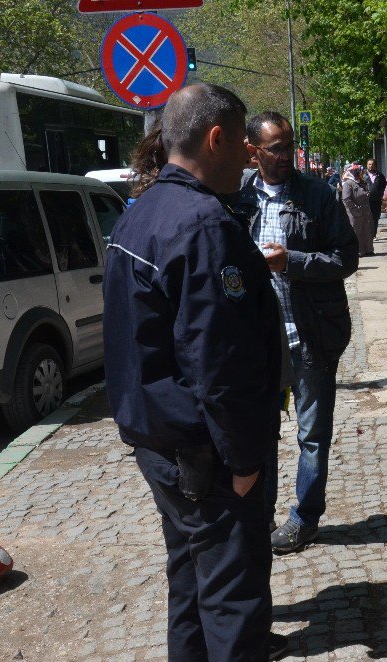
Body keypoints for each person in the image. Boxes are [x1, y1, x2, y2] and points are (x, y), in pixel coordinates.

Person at [102, 84, 288, 661]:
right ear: (216, 139)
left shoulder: (143, 213)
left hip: (161, 443)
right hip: (204, 456)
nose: (250, 157)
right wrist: (243, 462)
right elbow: (220, 364)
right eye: (243, 144)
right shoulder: (204, 225)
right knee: (233, 602)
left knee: (190, 586)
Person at [234, 111, 359, 554]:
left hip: (310, 333)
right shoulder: (236, 197)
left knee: (312, 433)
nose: (289, 155)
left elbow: (347, 258)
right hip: (258, 339)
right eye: (278, 148)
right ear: (253, 151)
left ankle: (305, 518)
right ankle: (259, 517)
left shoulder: (318, 195)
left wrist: (293, 262)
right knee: (261, 434)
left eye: (290, 146)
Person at [341, 163, 376, 256]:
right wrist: (357, 210)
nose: (363, 174)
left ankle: (368, 250)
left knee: (367, 231)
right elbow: (346, 199)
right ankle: (358, 251)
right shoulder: (348, 183)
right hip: (355, 214)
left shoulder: (362, 182)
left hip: (366, 212)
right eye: (361, 172)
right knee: (357, 232)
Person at [365, 158, 386, 234]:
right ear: (367, 165)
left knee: (375, 218)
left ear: (376, 166)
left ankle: (373, 234)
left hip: (376, 201)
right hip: (365, 201)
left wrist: (381, 195)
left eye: (373, 164)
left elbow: (385, 187)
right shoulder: (363, 175)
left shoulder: (380, 176)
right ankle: (367, 234)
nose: (371, 166)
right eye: (369, 164)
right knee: (366, 218)